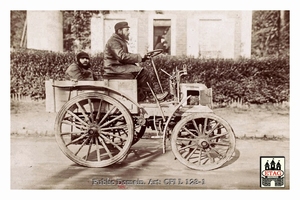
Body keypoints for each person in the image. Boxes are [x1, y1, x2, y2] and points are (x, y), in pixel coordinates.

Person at [103, 21, 168, 101]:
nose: (128, 32)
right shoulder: (114, 41)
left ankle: (141, 96)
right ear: (119, 31)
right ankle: (150, 96)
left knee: (138, 71)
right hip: (114, 68)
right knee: (142, 72)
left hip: (117, 67)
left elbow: (124, 55)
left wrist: (143, 58)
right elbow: (122, 56)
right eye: (126, 30)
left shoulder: (119, 40)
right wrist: (139, 56)